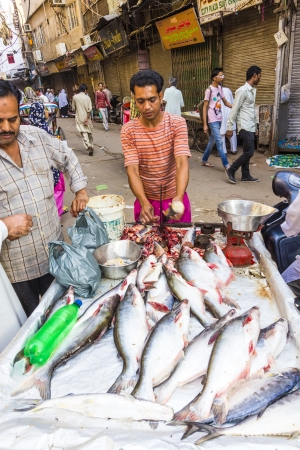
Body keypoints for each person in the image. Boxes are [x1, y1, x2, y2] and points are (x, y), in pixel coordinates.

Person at [0, 80, 88, 316]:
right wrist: (4, 226)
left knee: (63, 316)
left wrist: (80, 190)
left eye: (13, 119)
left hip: (54, 255)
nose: (6, 127)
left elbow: (67, 156)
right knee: (30, 327)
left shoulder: (36, 138)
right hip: (16, 270)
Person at [121, 69, 191, 224]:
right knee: (146, 244)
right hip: (146, 201)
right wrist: (144, 202)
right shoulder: (129, 130)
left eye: (152, 99)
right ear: (134, 99)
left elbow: (181, 163)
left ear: (161, 96)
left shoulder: (177, 124)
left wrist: (178, 198)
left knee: (181, 245)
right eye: (141, 101)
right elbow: (132, 170)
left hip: (175, 198)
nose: (147, 106)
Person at [225, 65, 262, 184]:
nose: (260, 79)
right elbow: (235, 109)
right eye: (259, 76)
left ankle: (245, 175)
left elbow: (250, 110)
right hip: (244, 125)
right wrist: (229, 127)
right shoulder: (242, 90)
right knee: (249, 152)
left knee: (247, 150)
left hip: (250, 125)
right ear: (254, 75)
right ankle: (231, 170)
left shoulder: (252, 91)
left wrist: (256, 126)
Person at [29, 102, 65, 217]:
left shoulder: (26, 130)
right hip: (50, 165)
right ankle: (57, 214)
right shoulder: (44, 128)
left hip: (34, 168)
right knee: (57, 189)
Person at [201, 68, 232, 170]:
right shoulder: (209, 90)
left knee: (212, 141)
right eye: (221, 75)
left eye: (223, 75)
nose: (223, 77)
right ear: (215, 78)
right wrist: (205, 124)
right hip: (212, 119)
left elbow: (226, 102)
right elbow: (205, 107)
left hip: (219, 118)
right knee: (219, 141)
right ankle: (226, 165)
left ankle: (204, 160)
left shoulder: (220, 88)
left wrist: (236, 107)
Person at [72, 83, 94, 156]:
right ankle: (91, 145)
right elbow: (90, 109)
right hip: (87, 117)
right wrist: (87, 118)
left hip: (79, 117)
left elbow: (73, 108)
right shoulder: (88, 98)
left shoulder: (75, 97)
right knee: (89, 132)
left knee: (83, 132)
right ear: (85, 90)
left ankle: (88, 146)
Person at [220, 86, 237, 155]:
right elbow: (232, 101)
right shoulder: (228, 90)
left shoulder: (216, 91)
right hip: (230, 111)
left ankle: (224, 151)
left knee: (222, 133)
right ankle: (234, 149)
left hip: (221, 113)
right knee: (232, 131)